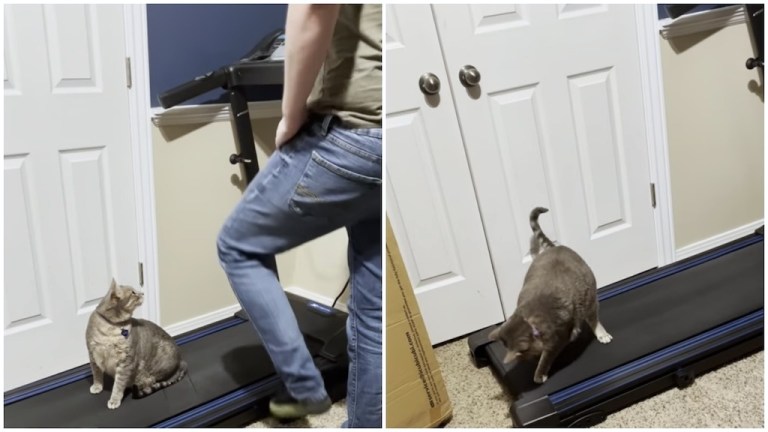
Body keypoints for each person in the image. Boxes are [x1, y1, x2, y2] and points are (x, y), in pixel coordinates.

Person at [216, 4, 382, 428]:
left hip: (351, 131)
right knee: (372, 305)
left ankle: (305, 387)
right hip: (388, 134)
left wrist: (290, 118)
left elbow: (311, 11)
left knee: (237, 246)